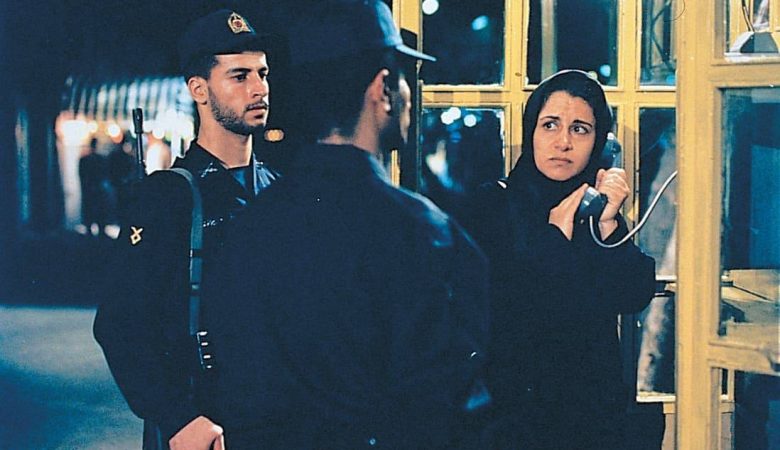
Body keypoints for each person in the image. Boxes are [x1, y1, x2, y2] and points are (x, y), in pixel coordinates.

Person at [199, 1, 489, 448]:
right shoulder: (427, 235)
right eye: (404, 80)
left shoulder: (246, 229)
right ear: (383, 88)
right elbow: (451, 408)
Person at [93, 9, 279, 450]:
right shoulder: (168, 197)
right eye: (239, 76)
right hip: (203, 423)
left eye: (262, 73)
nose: (259, 88)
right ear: (199, 89)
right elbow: (120, 324)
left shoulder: (279, 189)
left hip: (274, 419)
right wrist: (177, 418)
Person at [463, 70, 656, 449]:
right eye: (550, 125)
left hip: (591, 418)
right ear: (531, 132)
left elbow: (634, 292)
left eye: (580, 129)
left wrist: (608, 223)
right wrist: (553, 237)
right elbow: (504, 308)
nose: (563, 142)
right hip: (512, 416)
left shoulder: (595, 213)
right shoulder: (492, 206)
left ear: (599, 143)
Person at [79, 137, 111, 237]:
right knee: (98, 210)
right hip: (96, 188)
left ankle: (92, 230)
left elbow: (82, 175)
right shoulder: (99, 159)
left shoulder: (85, 159)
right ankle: (99, 230)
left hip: (91, 189)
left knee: (92, 210)